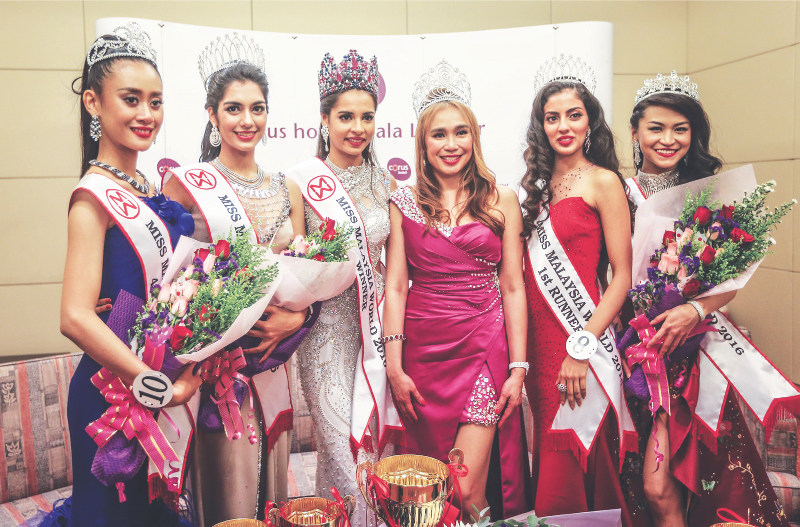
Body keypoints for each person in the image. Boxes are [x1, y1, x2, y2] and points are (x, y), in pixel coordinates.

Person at [46, 22, 201, 526]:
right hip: (110, 395)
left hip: (150, 382)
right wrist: (152, 383)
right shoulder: (92, 199)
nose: (146, 114)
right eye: (131, 99)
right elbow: (73, 316)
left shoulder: (144, 189)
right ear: (93, 103)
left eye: (155, 102)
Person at [621, 71, 788, 527]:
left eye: (680, 128)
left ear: (695, 134)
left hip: (692, 353)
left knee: (698, 475)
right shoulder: (618, 191)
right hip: (634, 351)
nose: (667, 139)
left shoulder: (710, 193)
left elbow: (731, 276)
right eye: (656, 127)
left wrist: (693, 308)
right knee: (644, 483)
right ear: (635, 131)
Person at [161, 32, 312, 525]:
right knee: (230, 493)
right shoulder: (188, 184)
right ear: (211, 114)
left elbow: (309, 268)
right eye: (233, 109)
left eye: (258, 108)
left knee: (273, 495)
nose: (247, 121)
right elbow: (169, 278)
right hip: (220, 369)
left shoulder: (287, 185)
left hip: (274, 361)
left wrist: (300, 315)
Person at [384, 60, 530, 520]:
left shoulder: (500, 198)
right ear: (423, 144)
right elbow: (395, 288)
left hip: (483, 350)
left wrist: (518, 367)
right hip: (423, 357)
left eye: (460, 132)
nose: (451, 144)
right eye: (439, 134)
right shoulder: (402, 202)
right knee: (428, 490)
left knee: (466, 488)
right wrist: (394, 367)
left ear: (475, 137)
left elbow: (512, 285)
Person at [287, 49, 402, 527]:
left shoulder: (388, 183)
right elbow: (289, 264)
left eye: (367, 117)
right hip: (325, 336)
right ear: (324, 119)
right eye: (346, 116)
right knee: (344, 450)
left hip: (374, 335)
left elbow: (396, 272)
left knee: (370, 448)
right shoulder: (301, 181)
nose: (357, 127)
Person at [518, 55, 636, 524]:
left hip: (580, 340)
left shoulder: (605, 182)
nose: (563, 126)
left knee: (582, 448)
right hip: (540, 348)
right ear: (541, 126)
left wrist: (582, 346)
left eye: (574, 115)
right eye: (552, 117)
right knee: (548, 444)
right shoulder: (538, 187)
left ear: (590, 122)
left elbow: (621, 277)